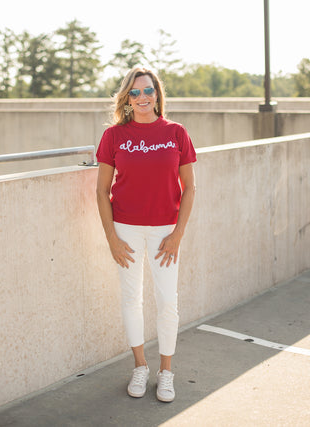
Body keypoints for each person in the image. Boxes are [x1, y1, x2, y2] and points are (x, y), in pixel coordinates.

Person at [96, 67, 196, 402]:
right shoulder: (114, 136)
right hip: (125, 230)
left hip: (165, 231)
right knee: (131, 299)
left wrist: (178, 233)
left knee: (168, 301)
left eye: (148, 91)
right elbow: (101, 191)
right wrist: (112, 237)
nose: (142, 98)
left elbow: (190, 187)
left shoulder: (176, 132)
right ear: (127, 97)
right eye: (135, 92)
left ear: (157, 94)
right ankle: (140, 366)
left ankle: (166, 371)